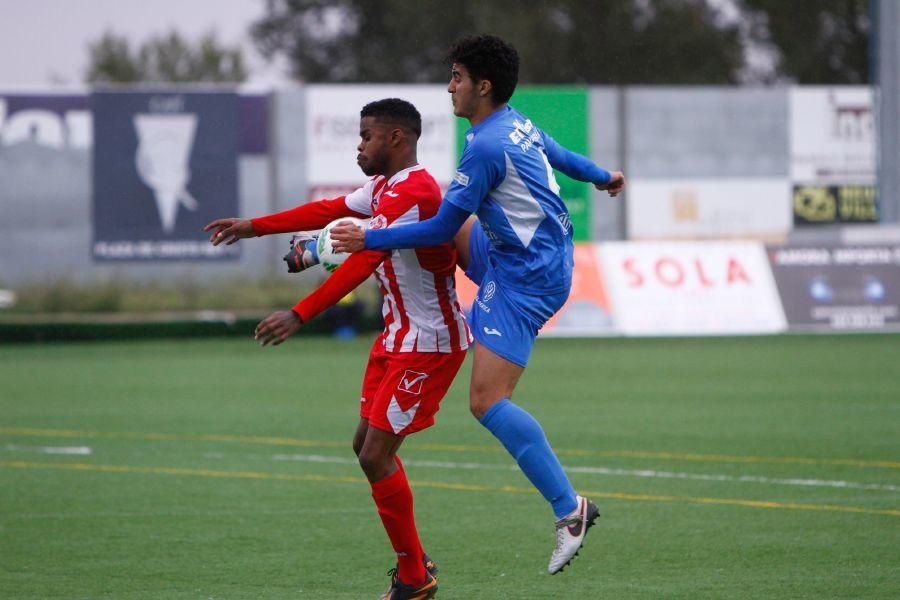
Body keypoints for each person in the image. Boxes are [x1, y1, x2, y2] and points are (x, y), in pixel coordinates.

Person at [331, 35, 625, 575]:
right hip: (536, 255)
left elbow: (439, 227)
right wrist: (605, 177)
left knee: (488, 401)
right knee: (458, 217)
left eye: (457, 77)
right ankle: (437, 313)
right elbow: (562, 158)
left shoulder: (485, 147)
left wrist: (367, 238)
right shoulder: (515, 123)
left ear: (481, 86)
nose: (450, 86)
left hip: (524, 278)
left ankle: (569, 510)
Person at [204, 98, 470, 599]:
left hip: (430, 342)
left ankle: (415, 578)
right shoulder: (383, 187)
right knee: (363, 447)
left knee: (375, 454)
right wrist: (253, 226)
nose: (359, 145)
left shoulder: (415, 191)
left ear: (396, 138)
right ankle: (415, 560)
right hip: (397, 338)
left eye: (366, 135)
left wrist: (299, 313)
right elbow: (327, 211)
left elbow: (364, 260)